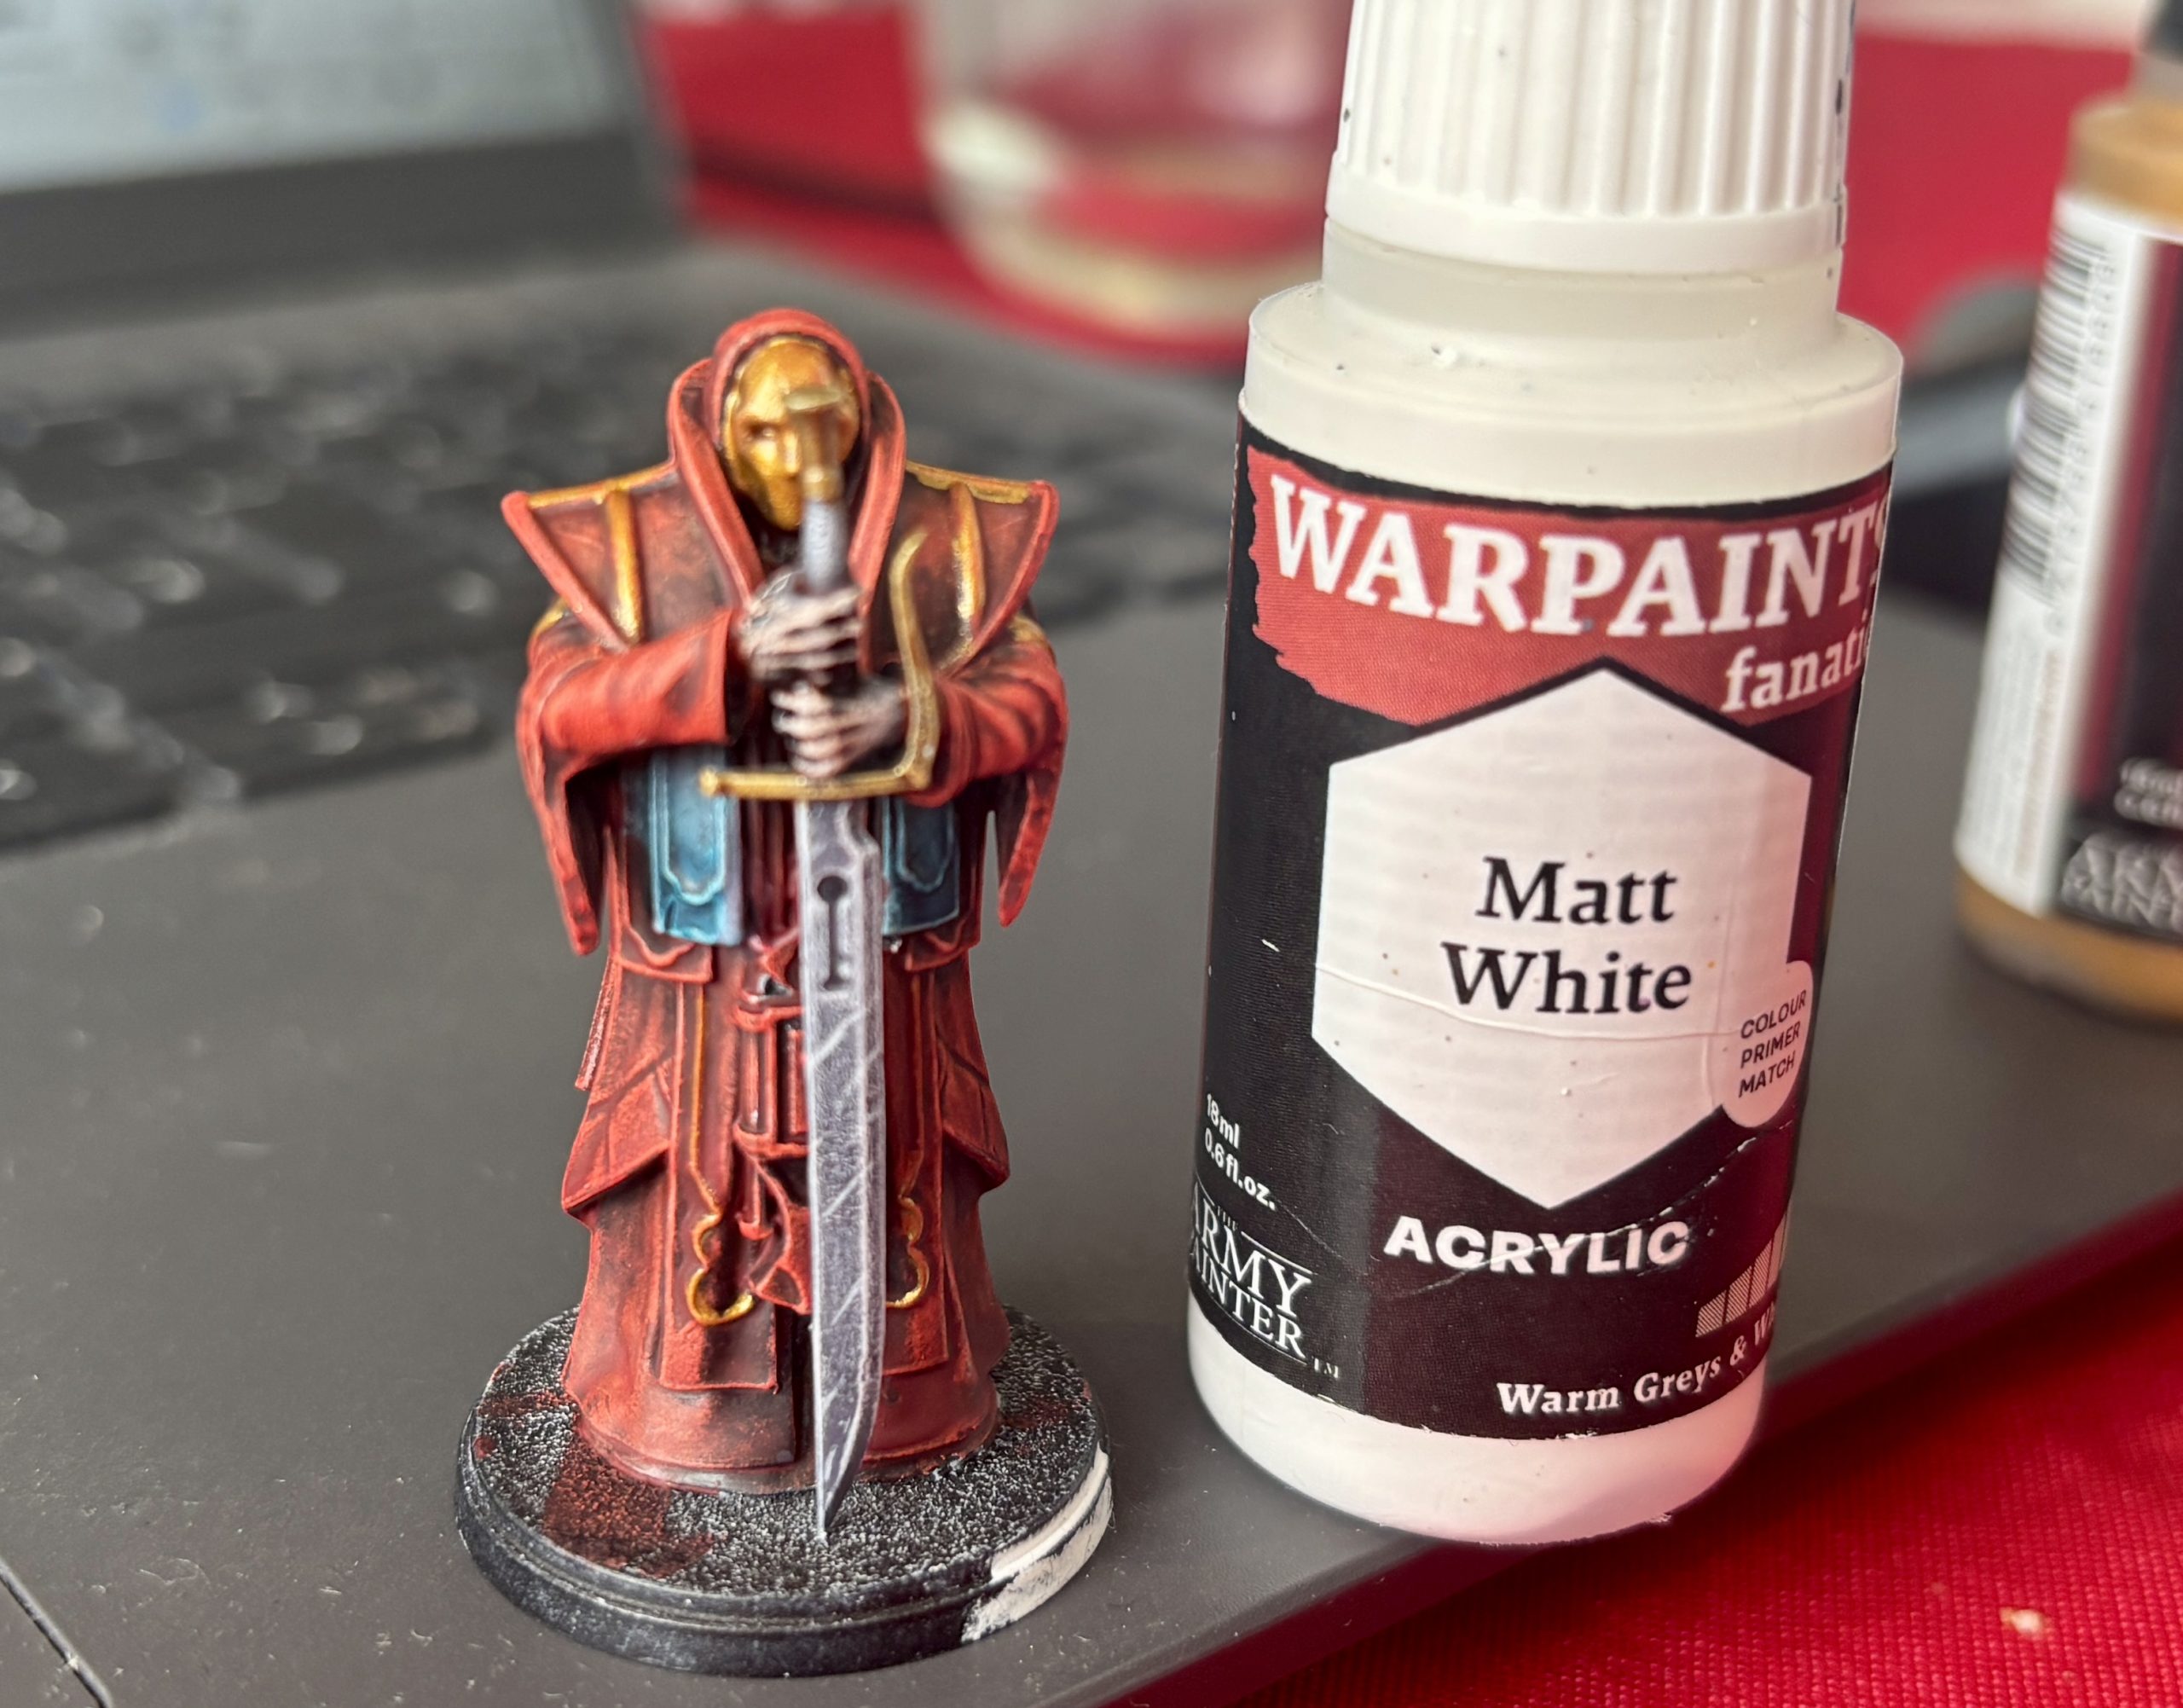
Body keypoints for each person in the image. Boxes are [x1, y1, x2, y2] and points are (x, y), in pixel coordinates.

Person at [504, 308, 1066, 1491]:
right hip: (706, 974)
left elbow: (1026, 698)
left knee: (897, 1184)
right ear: (719, 432)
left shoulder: (951, 544)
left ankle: (901, 1410)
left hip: (882, 961)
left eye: (826, 423)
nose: (802, 457)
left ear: (864, 421)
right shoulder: (624, 552)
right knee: (699, 1200)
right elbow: (560, 704)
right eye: (768, 430)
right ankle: (697, 1420)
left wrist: (911, 718)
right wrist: (724, 658)